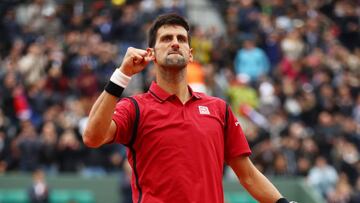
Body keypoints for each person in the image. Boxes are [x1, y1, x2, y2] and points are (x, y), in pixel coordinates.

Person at [83, 13, 293, 203]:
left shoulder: (219, 109)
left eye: (181, 39)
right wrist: (122, 74)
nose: (175, 43)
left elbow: (247, 174)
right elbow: (92, 136)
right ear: (151, 53)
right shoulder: (135, 107)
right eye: (166, 39)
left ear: (190, 54)